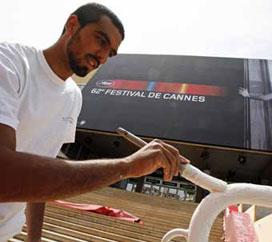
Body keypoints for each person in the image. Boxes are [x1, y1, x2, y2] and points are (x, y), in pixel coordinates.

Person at [0, 3, 188, 241]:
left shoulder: (73, 96)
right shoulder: (10, 62)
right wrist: (127, 166)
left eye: (110, 52)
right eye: (100, 40)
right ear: (72, 25)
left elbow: (41, 178)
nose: (102, 56)